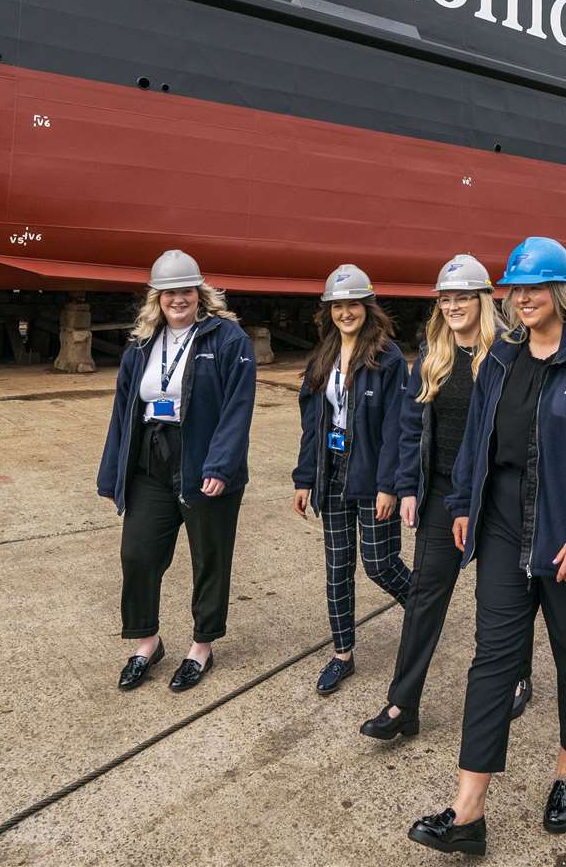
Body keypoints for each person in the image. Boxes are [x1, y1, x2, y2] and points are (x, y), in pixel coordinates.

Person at [409, 237, 566, 856]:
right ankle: (467, 809)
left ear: (562, 292)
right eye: (517, 288)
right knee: (493, 661)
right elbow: (477, 441)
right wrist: (462, 505)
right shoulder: (502, 361)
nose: (526, 297)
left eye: (537, 286)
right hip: (504, 530)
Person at [362, 255, 536, 740]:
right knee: (424, 596)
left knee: (500, 596)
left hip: (496, 493)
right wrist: (407, 488)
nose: (454, 305)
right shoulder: (432, 353)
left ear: (482, 300)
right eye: (446, 298)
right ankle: (402, 705)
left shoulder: (510, 351)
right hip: (441, 491)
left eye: (463, 297)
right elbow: (410, 425)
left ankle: (516, 674)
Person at [98, 249, 256, 693]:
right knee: (138, 553)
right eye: (169, 292)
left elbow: (238, 407)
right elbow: (123, 411)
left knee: (209, 557)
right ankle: (147, 640)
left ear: (200, 294)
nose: (178, 299)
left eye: (186, 290)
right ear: (158, 298)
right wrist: (113, 472)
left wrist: (221, 465)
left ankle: (201, 646)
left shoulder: (227, 340)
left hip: (203, 460)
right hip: (151, 458)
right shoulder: (142, 344)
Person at [292, 264, 413, 694]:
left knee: (379, 564)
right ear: (329, 311)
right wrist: (304, 478)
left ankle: (423, 613)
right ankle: (342, 653)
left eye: (353, 305)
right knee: (337, 566)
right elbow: (313, 423)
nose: (346, 313)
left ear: (367, 307)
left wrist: (389, 486)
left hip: (371, 472)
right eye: (338, 306)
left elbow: (399, 427)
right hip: (332, 470)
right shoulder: (322, 357)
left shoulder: (388, 357)